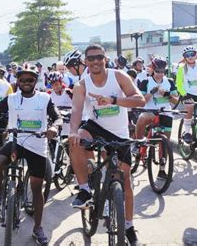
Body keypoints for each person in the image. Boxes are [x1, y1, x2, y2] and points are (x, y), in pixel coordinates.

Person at [68, 44, 145, 246]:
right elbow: (76, 110)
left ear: (105, 59)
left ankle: (128, 226)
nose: (95, 61)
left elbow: (140, 100)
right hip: (95, 127)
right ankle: (84, 189)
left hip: (119, 135)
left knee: (125, 182)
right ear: (85, 61)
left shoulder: (118, 76)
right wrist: (73, 131)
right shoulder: (82, 85)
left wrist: (113, 99)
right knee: (75, 142)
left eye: (99, 57)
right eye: (91, 58)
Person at [0, 63, 62, 246]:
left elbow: (57, 117)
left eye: (30, 79)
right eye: (22, 79)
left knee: (36, 189)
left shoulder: (44, 98)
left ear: (35, 81)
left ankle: (38, 228)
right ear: (17, 81)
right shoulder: (11, 98)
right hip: (16, 141)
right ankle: (0, 194)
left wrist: (54, 127)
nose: (26, 82)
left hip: (38, 145)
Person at [135, 56, 179, 177]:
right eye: (157, 71)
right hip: (150, 110)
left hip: (165, 112)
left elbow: (176, 102)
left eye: (162, 71)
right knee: (142, 118)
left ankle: (162, 169)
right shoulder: (146, 82)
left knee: (165, 143)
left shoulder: (169, 81)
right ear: (153, 70)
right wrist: (152, 92)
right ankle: (138, 143)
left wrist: (167, 95)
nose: (160, 74)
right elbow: (142, 101)